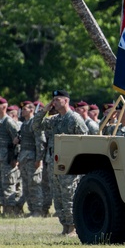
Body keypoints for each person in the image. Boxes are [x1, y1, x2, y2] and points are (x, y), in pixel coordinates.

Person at [32, 90, 88, 236]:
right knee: (58, 197)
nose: (54, 102)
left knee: (69, 196)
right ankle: (64, 226)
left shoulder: (75, 118)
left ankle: (73, 227)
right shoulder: (55, 119)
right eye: (53, 100)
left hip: (70, 164)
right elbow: (35, 125)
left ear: (66, 101)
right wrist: (44, 109)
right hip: (54, 163)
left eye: (57, 100)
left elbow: (85, 141)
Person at [0, 97, 21, 216]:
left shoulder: (8, 122)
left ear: (4, 107)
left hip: (8, 158)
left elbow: (17, 140)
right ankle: (3, 208)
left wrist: (15, 158)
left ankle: (9, 210)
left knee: (8, 184)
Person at [18, 101, 46, 217]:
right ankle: (31, 209)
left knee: (34, 184)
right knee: (27, 185)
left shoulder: (34, 123)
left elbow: (40, 142)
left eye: (24, 109)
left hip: (32, 158)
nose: (22, 111)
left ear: (31, 110)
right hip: (24, 157)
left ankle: (38, 210)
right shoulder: (24, 123)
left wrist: (39, 159)